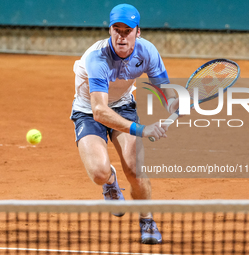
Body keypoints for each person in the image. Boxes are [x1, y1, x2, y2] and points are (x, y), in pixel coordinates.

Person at [70, 3, 178, 244]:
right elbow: (99, 111)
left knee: (135, 170)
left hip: (123, 106)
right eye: (116, 29)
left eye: (127, 30)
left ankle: (147, 220)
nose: (121, 35)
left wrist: (172, 103)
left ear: (137, 32)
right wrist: (142, 129)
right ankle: (110, 183)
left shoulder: (147, 51)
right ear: (109, 31)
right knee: (99, 172)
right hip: (89, 111)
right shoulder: (97, 58)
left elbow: (163, 87)